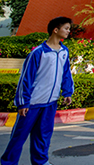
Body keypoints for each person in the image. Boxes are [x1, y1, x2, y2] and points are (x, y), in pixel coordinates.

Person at [1, 17, 74, 165]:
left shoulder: (64, 52)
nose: (68, 31)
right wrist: (23, 103)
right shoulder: (38, 53)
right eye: (66, 28)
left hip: (50, 102)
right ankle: (8, 162)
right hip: (33, 103)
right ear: (56, 29)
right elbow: (25, 79)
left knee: (43, 135)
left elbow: (66, 73)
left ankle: (40, 161)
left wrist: (67, 92)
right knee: (19, 136)